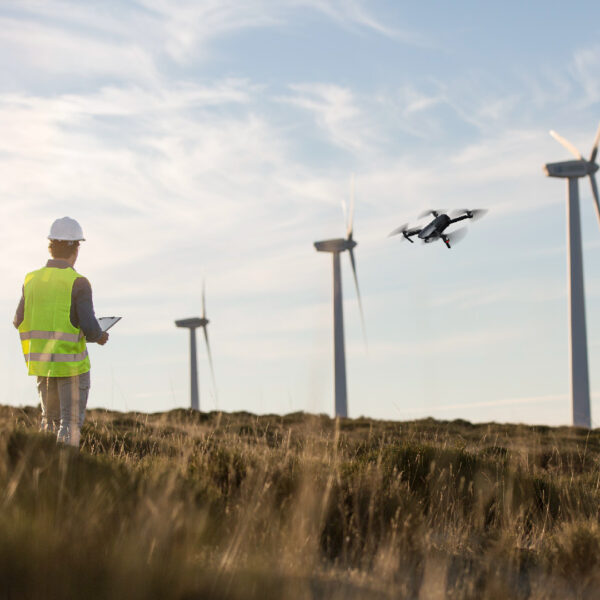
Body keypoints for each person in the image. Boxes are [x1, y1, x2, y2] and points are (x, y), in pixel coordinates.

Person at [13, 217, 109, 447]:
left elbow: (18, 321)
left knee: (49, 422)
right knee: (69, 423)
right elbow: (90, 328)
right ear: (76, 247)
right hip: (72, 367)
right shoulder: (78, 282)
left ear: (51, 246)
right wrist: (100, 335)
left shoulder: (31, 279)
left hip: (42, 366)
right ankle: (64, 473)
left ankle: (45, 472)